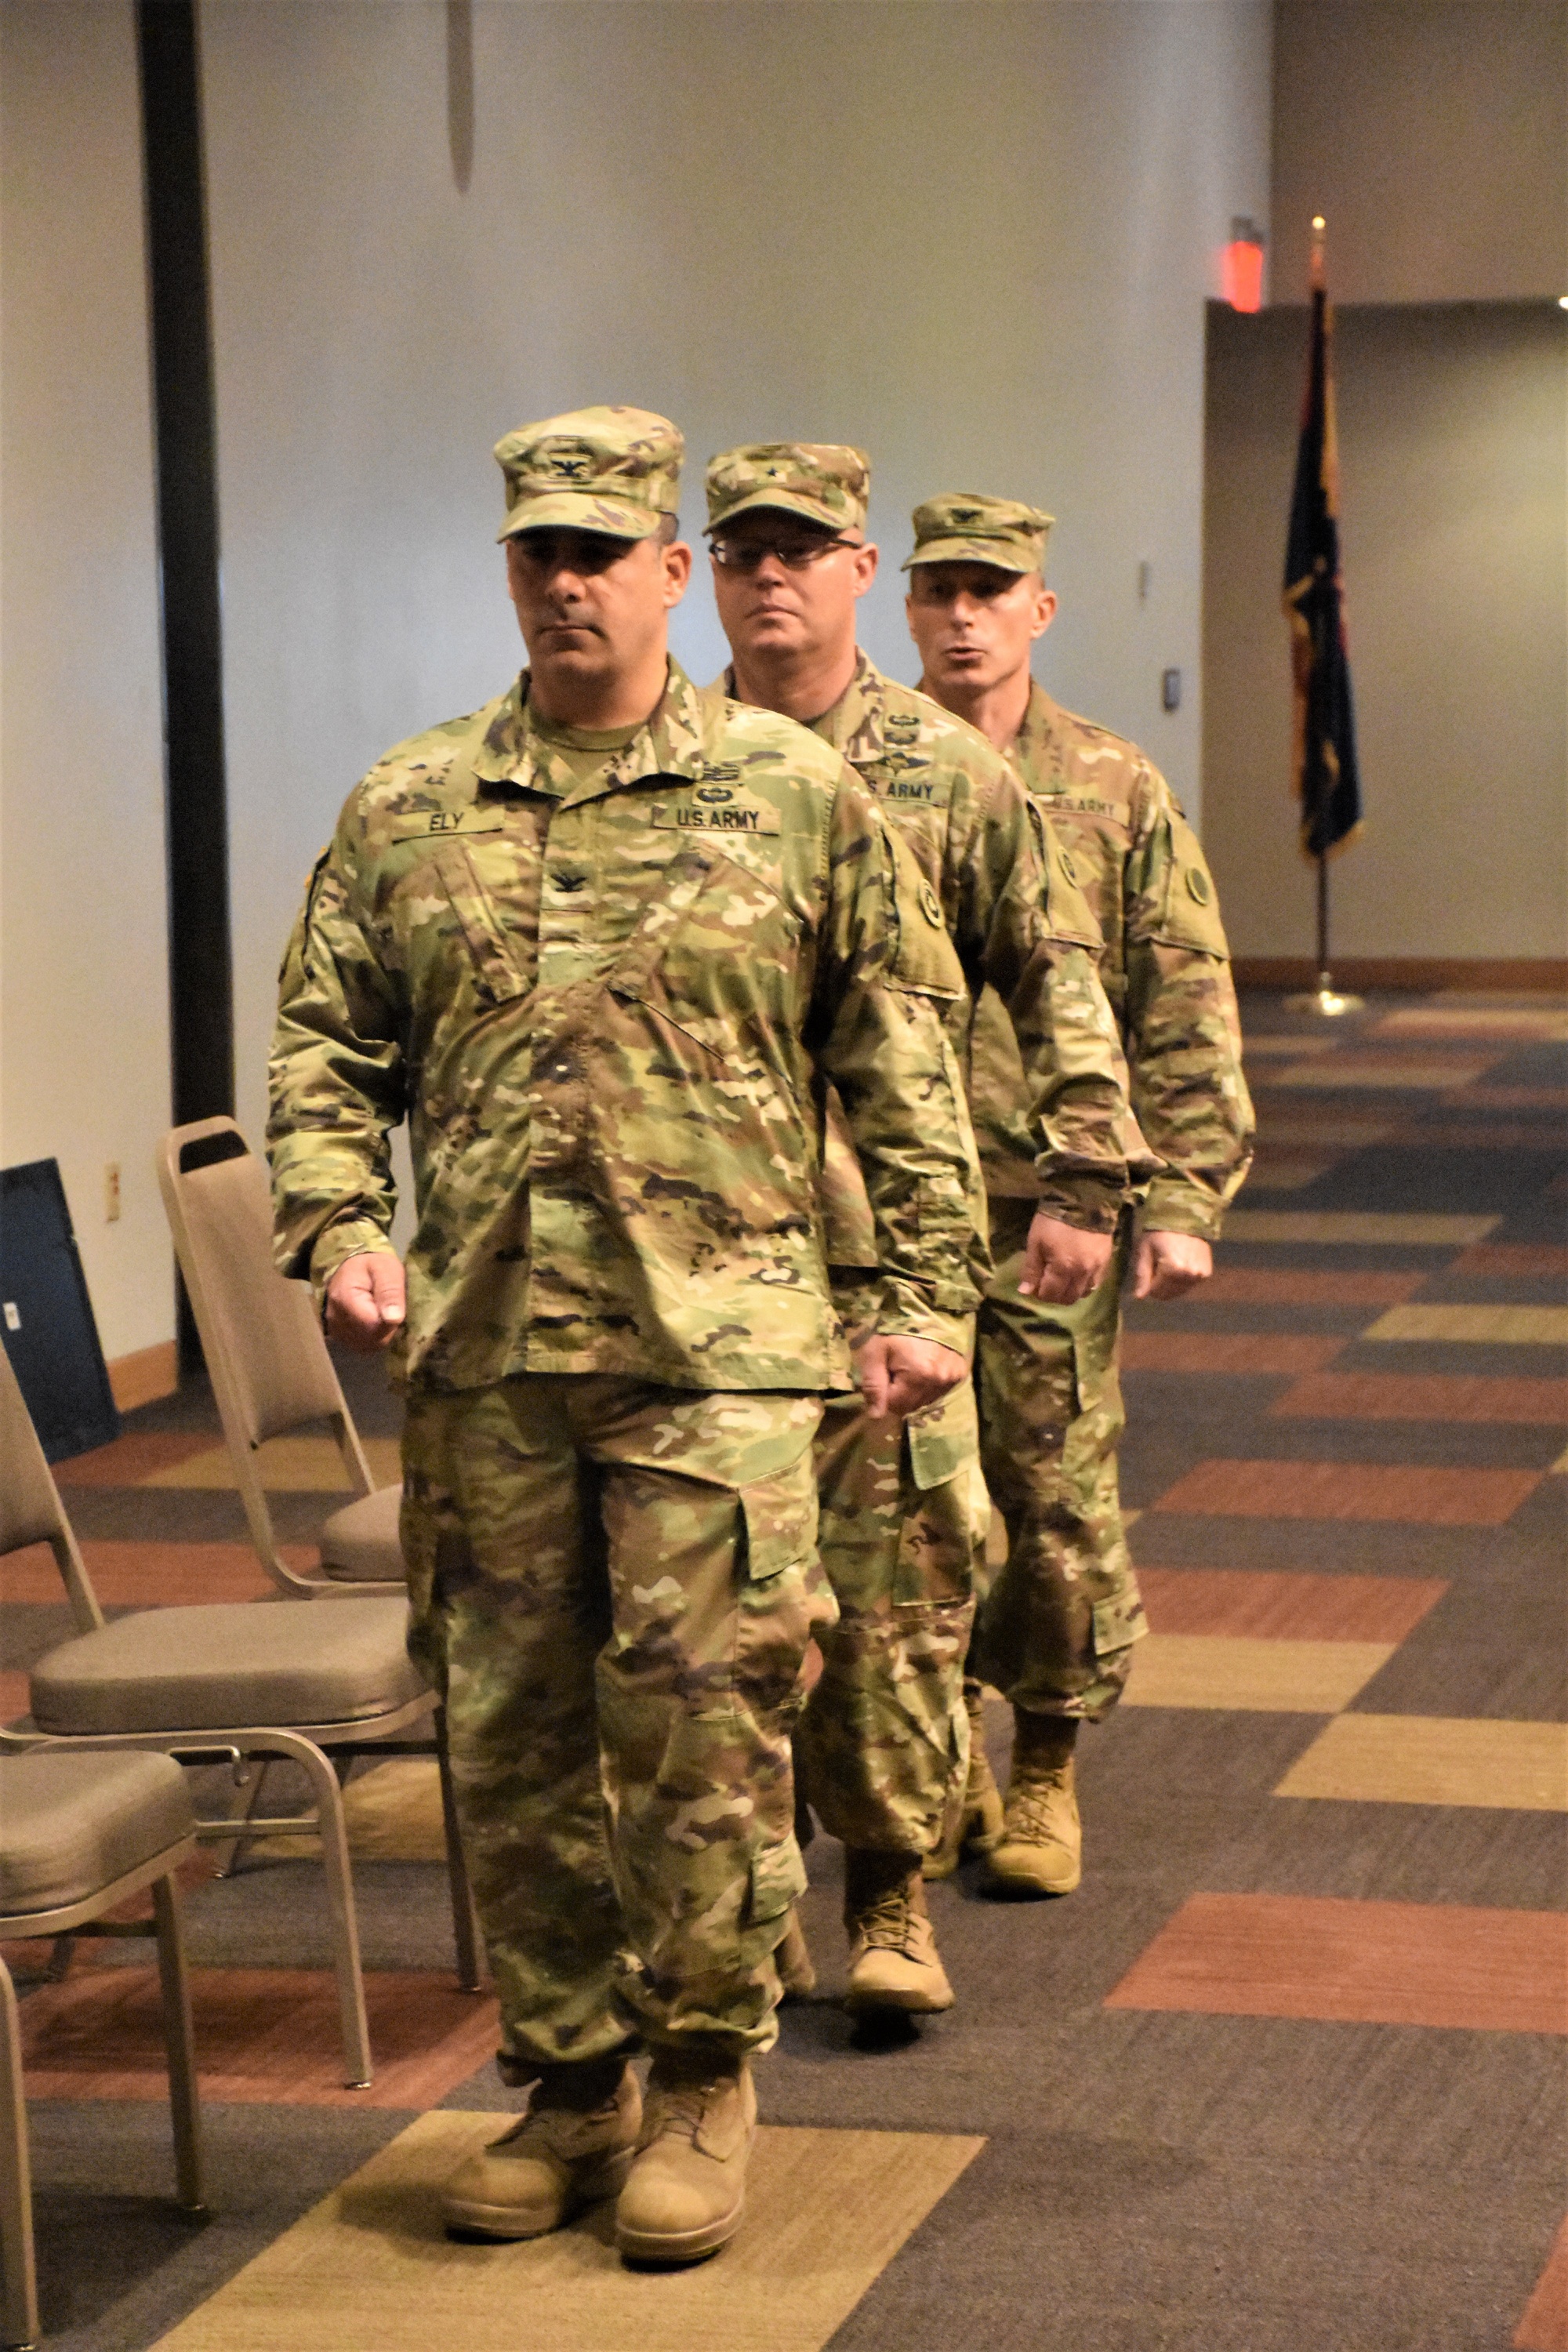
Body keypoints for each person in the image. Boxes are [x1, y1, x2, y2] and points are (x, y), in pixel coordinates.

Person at [267, 406, 994, 2267]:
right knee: (508, 1737)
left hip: (727, 1352)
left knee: (704, 1726)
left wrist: (920, 1299)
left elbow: (901, 1060)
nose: (572, 582)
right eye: (542, 555)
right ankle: (565, 2079)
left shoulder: (788, 793)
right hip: (494, 1358)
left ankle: (701, 2072)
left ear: (674, 573)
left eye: (606, 551)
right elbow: (325, 1045)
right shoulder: (411, 801)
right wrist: (341, 1218)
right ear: (510, 573)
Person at [701, 443, 1138, 2013]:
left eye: (801, 550)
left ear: (855, 570)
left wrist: (1091, 1179)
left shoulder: (947, 778)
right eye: (741, 550)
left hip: (898, 1249)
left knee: (897, 1595)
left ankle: (888, 1895)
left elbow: (1057, 978)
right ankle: (741, 1917)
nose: (771, 579)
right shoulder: (654, 767)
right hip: (699, 1271)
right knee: (719, 1618)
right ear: (701, 572)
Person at [904, 491, 1254, 1894]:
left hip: (1058, 1198)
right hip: (885, 1203)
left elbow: (1182, 989)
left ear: (1040, 609)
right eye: (943, 591)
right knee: (904, 1508)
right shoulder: (858, 774)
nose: (968, 615)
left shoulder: (1110, 784)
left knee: (1047, 1492)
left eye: (995, 590)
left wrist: (1182, 1194)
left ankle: (1043, 1766)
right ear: (907, 608)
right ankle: (934, 1767)